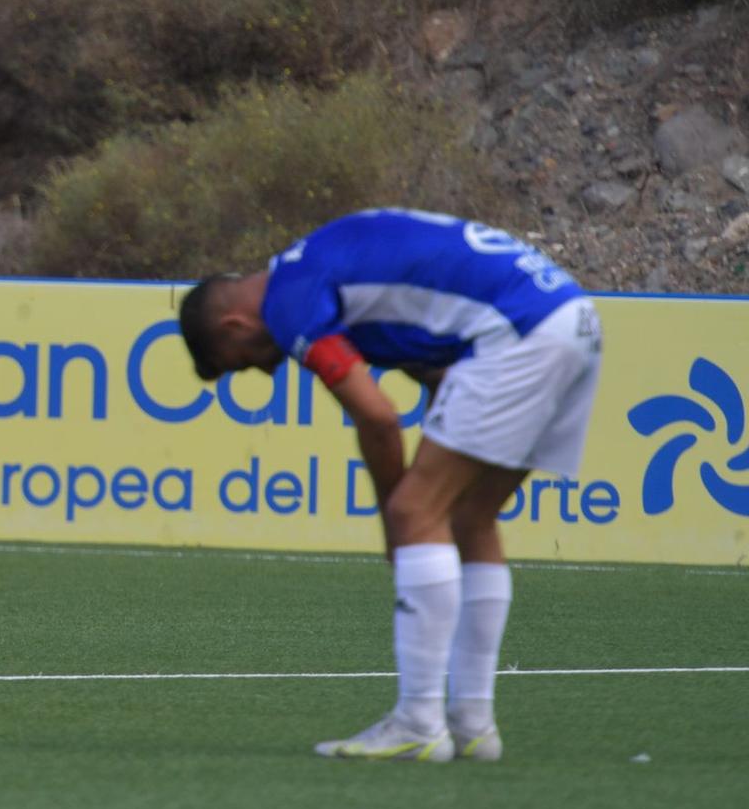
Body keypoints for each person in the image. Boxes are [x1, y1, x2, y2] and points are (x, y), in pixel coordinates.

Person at [177, 209, 603, 762]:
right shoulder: (326, 271)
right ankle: (473, 725)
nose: (262, 372)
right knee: (470, 517)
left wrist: (395, 524)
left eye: (239, 364)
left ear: (233, 326)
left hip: (518, 333)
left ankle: (418, 723)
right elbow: (438, 373)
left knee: (413, 513)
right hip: (571, 319)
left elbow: (377, 418)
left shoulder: (290, 299)